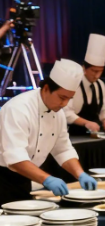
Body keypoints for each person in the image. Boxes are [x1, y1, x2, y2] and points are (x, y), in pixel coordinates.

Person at [0, 60, 98, 204]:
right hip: (2, 179)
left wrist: (80, 174)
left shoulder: (58, 113)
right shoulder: (18, 109)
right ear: (46, 88)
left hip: (26, 177)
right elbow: (15, 158)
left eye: (69, 99)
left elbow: (63, 149)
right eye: (62, 98)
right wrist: (47, 179)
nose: (65, 104)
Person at [65, 34, 105, 135]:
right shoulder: (74, 84)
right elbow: (66, 113)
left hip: (95, 135)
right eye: (94, 71)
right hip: (75, 135)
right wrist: (86, 123)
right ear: (84, 68)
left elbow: (103, 111)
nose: (97, 75)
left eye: (100, 71)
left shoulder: (101, 85)